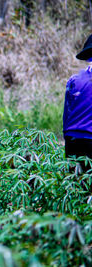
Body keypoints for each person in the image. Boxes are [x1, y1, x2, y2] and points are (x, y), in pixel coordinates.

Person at [63, 34, 92, 171]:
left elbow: (66, 114)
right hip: (90, 138)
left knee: (75, 185)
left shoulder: (74, 80)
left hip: (72, 139)